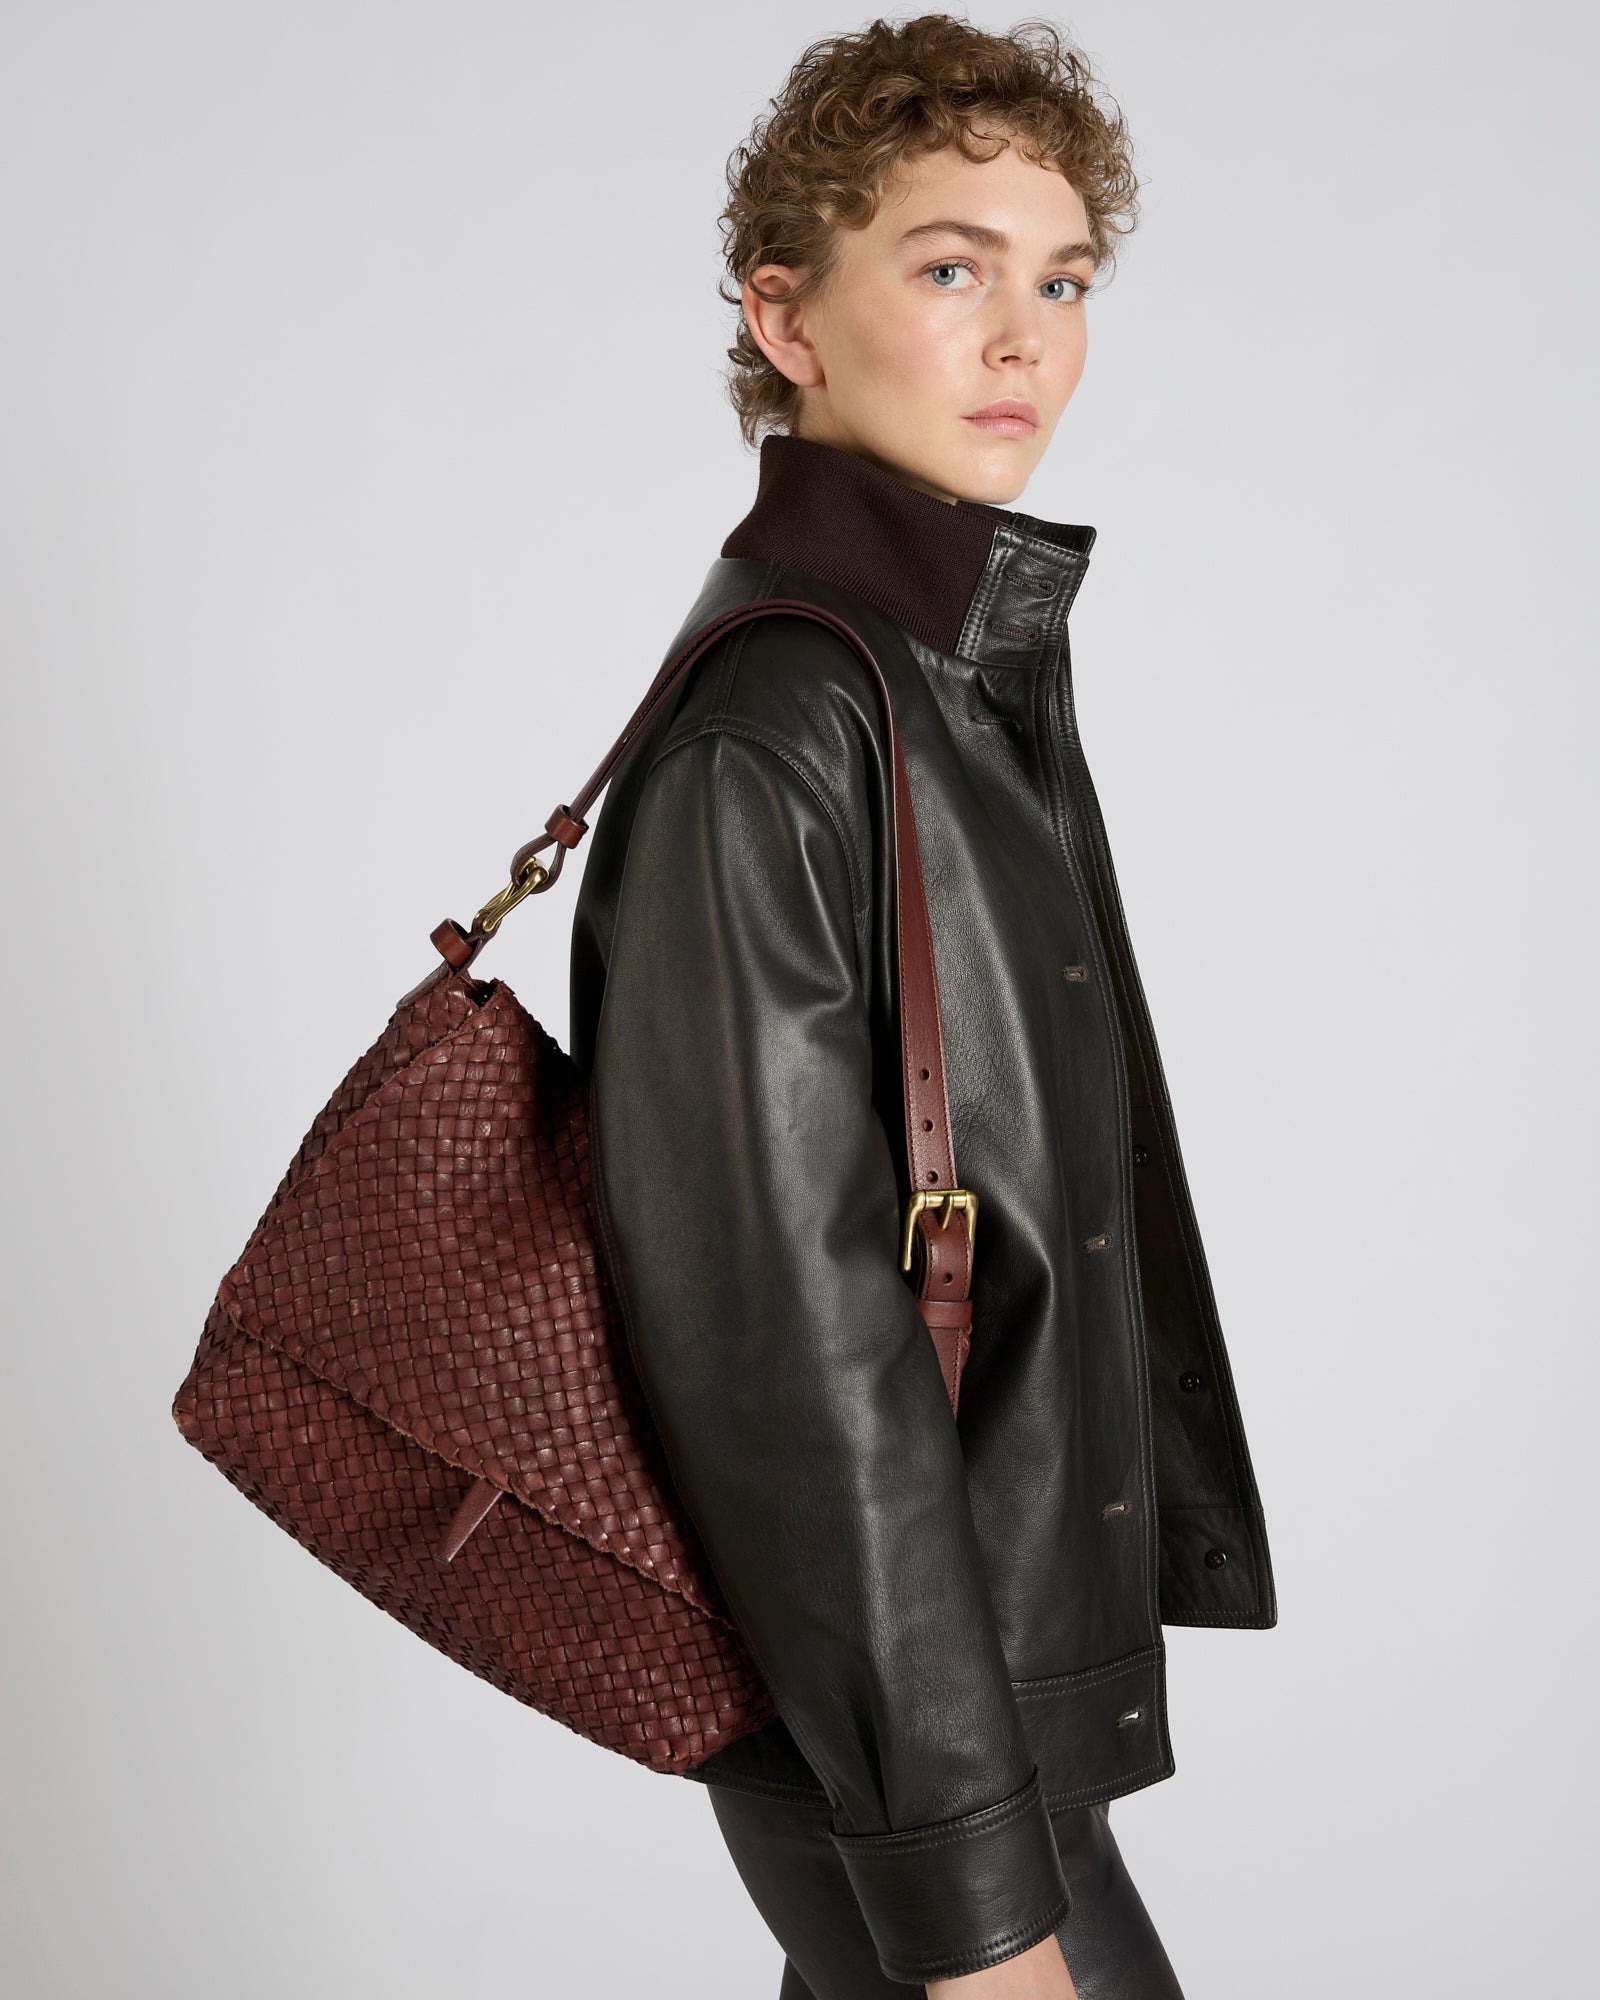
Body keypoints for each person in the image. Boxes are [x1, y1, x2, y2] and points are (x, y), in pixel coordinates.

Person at [567, 16, 1277, 1998]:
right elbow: (786, 1366)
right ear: (783, 316)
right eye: (952, 266)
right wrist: (973, 1902)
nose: (1023, 339)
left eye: (1064, 282)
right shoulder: (779, 731)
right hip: (909, 1748)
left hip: (960, 1711)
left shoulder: (951, 680)